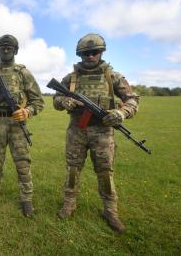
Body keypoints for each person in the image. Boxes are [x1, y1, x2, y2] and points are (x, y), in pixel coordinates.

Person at [53, 33, 139, 233]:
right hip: (77, 129)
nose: (90, 56)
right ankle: (69, 204)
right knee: (73, 169)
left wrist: (121, 112)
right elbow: (56, 99)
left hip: (103, 131)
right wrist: (64, 101)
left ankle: (110, 210)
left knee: (105, 173)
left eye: (94, 52)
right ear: (79, 55)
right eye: (86, 53)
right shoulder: (71, 78)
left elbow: (133, 99)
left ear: (101, 53)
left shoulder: (113, 76)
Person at [0, 34, 45, 217]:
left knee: (22, 162)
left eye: (9, 47)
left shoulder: (23, 73)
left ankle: (26, 199)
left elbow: (38, 102)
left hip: (17, 123)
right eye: (2, 47)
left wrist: (27, 112)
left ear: (15, 50)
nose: (6, 50)